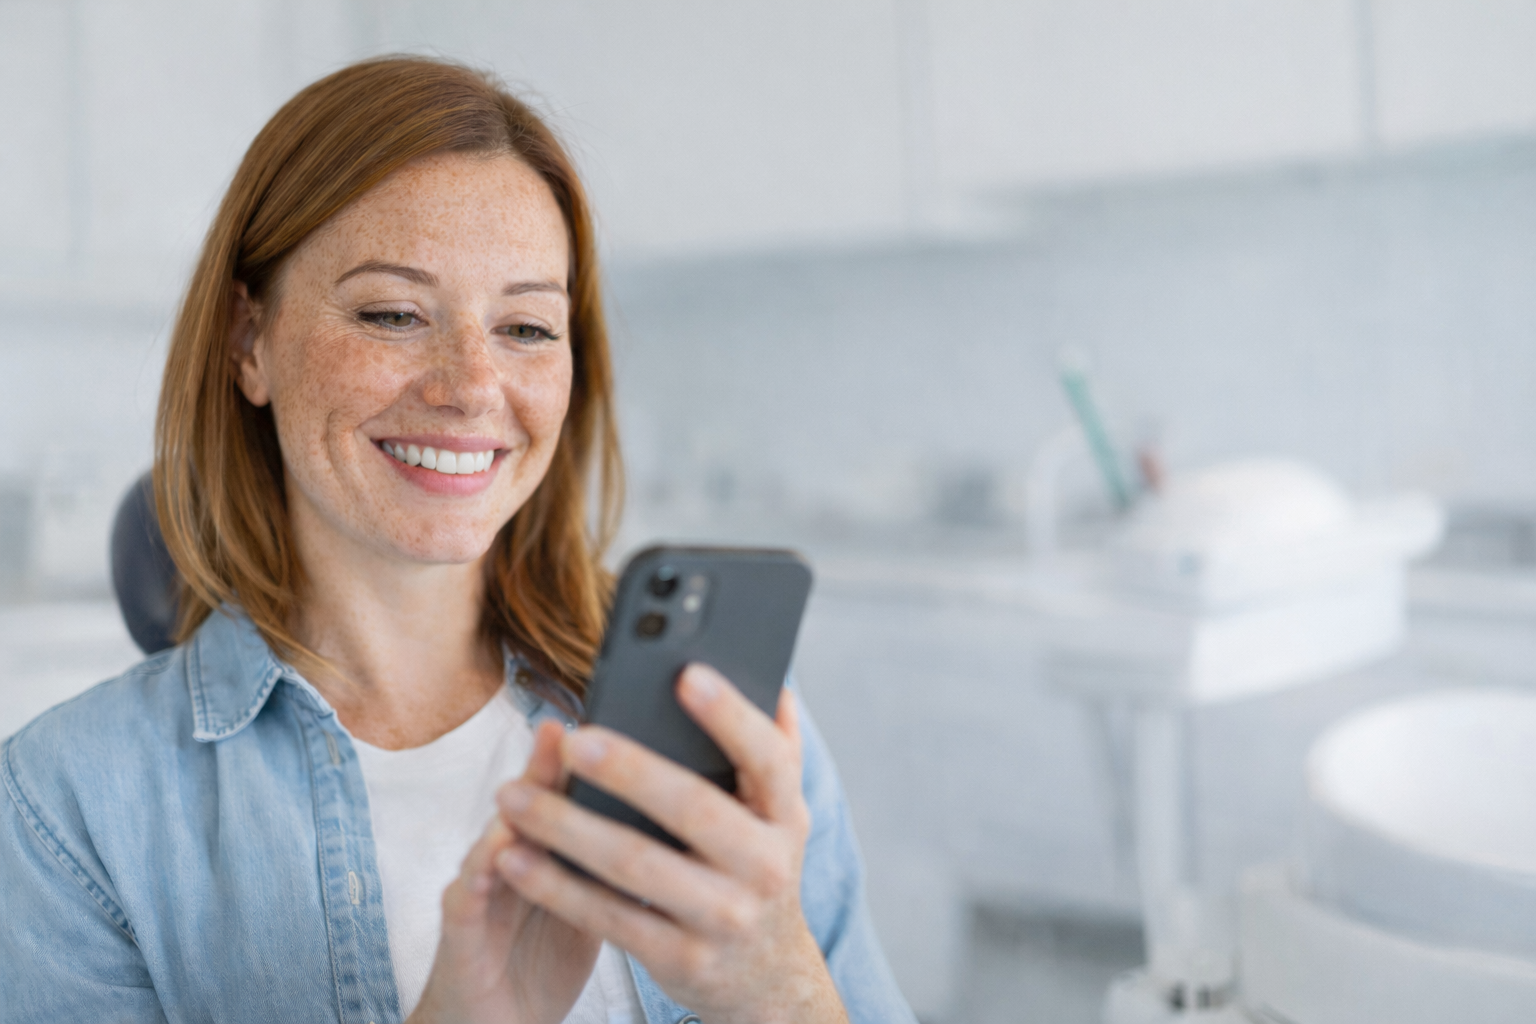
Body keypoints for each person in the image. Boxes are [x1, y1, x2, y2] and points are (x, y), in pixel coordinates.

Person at [0, 56, 913, 1024]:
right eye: (393, 313)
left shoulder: (726, 727)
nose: (474, 386)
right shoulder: (65, 813)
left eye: (525, 327)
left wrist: (782, 992)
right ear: (247, 340)